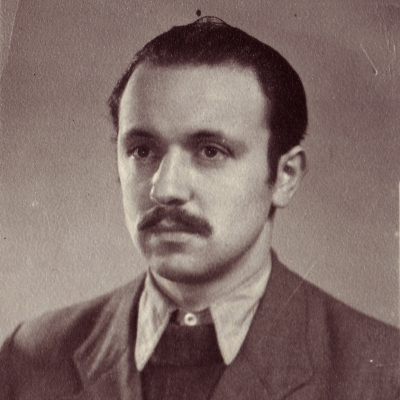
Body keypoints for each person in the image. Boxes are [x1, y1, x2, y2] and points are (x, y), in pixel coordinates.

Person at [0, 16, 398, 400]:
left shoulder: (383, 373)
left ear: (285, 176)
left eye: (211, 151)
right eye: (142, 150)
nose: (166, 188)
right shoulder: (30, 357)